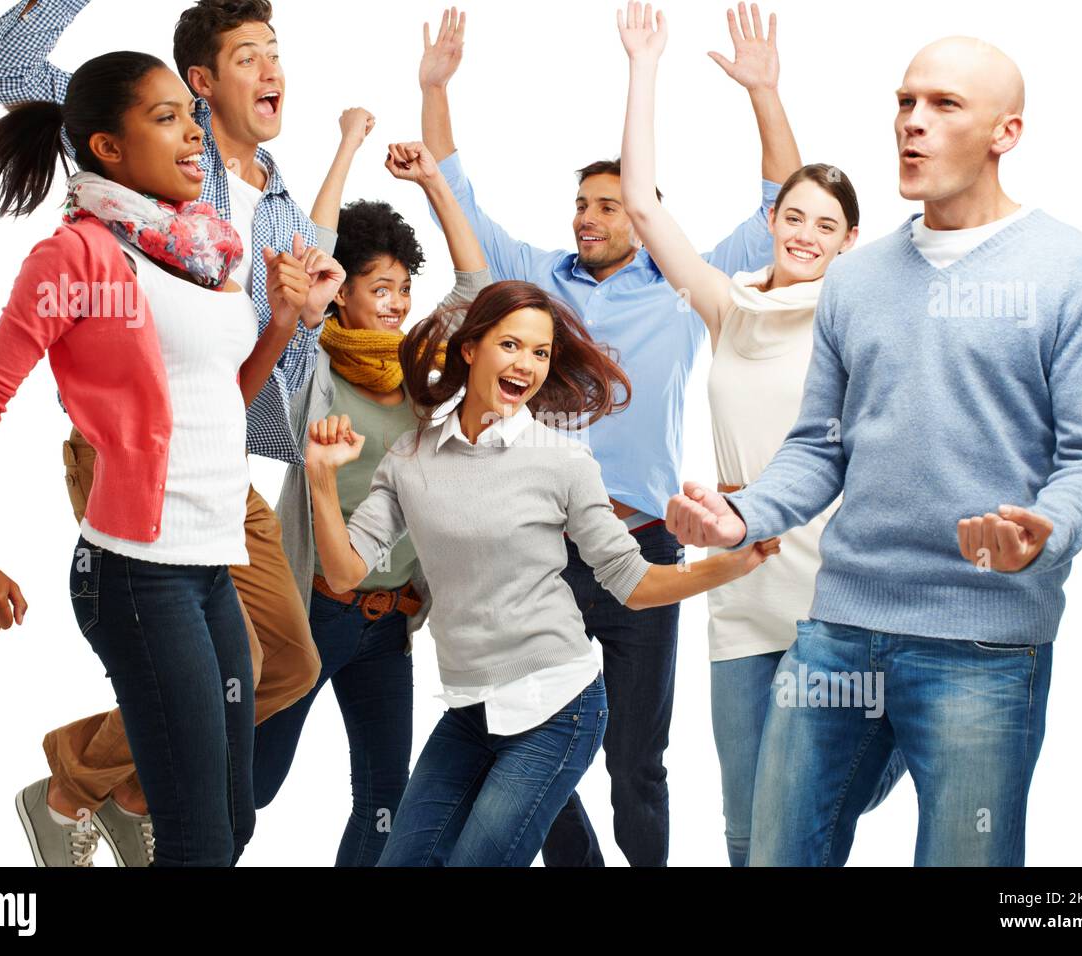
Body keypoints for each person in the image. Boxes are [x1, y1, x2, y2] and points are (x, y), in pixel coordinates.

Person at [666, 35, 1082, 866]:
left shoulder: (1077, 271)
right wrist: (740, 516)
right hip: (839, 629)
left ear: (1006, 132)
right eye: (904, 102)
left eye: (944, 105)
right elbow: (820, 447)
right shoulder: (857, 279)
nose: (911, 124)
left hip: (983, 643)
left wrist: (1045, 529)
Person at [416, 3, 797, 867]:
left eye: (608, 204)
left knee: (636, 761)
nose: (588, 218)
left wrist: (763, 95)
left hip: (640, 543)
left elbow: (781, 206)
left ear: (645, 212)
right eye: (580, 205)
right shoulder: (534, 279)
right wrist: (434, 89)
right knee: (527, 741)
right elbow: (455, 193)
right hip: (539, 550)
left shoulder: (683, 284)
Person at [0, 52, 339, 866]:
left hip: (210, 562)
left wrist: (282, 322)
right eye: (166, 117)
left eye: (188, 115)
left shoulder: (207, 251)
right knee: (199, 840)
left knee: (232, 825)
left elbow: (218, 403)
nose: (194, 132)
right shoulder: (81, 258)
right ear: (108, 149)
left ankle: (113, 806)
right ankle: (68, 793)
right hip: (138, 574)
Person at [303, 278, 782, 866]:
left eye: (540, 352)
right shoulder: (411, 457)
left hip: (559, 708)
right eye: (510, 345)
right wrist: (322, 479)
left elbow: (634, 583)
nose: (526, 365)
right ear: (470, 348)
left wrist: (733, 565)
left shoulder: (562, 458)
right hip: (469, 712)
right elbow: (345, 571)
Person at [616, 0, 906, 867]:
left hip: (843, 595)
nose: (806, 234)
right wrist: (645, 66)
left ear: (851, 242)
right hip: (745, 591)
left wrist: (767, 97)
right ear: (774, 221)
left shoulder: (860, 310)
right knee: (750, 832)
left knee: (809, 822)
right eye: (795, 217)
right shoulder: (729, 306)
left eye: (827, 225)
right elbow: (640, 205)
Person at [255, 129, 493, 866]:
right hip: (315, 609)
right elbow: (311, 252)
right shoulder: (312, 369)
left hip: (389, 622)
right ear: (343, 290)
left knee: (385, 800)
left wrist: (433, 183)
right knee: (253, 785)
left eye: (402, 290)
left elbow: (477, 292)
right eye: (378, 290)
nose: (395, 306)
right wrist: (347, 145)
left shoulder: (424, 369)